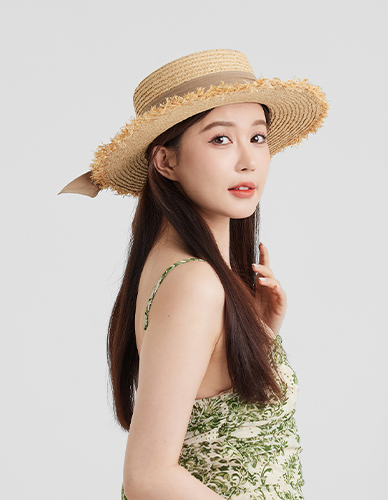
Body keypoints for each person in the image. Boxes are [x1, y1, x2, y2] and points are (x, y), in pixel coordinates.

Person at [60, 49, 328, 500]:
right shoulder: (195, 283)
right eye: (220, 139)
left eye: (257, 137)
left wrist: (255, 332)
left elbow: (216, 423)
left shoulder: (181, 269)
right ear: (166, 162)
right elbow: (147, 477)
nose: (248, 160)